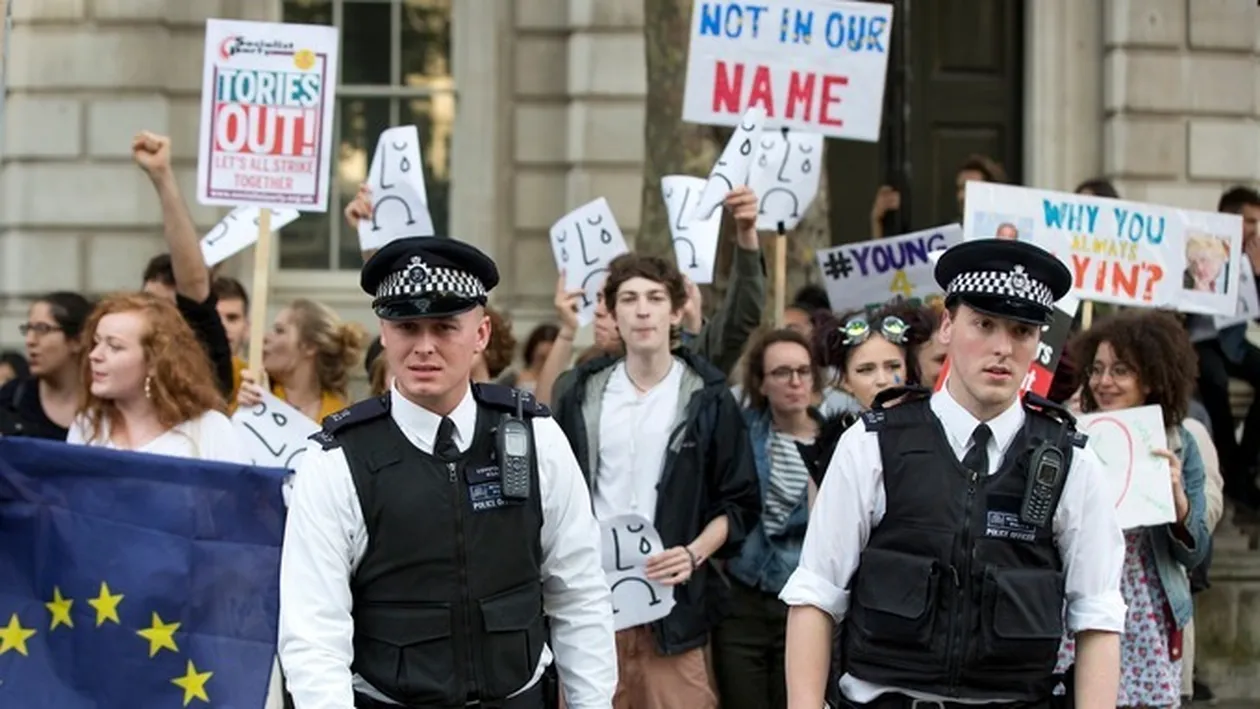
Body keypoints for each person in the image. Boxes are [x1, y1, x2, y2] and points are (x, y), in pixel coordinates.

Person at [782, 238, 1125, 709]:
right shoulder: (872, 444)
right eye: (983, 324)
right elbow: (816, 594)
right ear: (947, 325)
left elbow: (1098, 618)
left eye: (1022, 331)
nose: (1002, 347)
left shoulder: (1072, 464)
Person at [278, 237, 616, 709]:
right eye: (407, 327)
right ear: (384, 331)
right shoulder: (336, 461)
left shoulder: (536, 437)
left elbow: (579, 593)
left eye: (444, 327)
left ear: (480, 335)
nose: (424, 347)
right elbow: (313, 635)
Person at [551, 252, 761, 709]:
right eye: (628, 299)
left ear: (677, 309)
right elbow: (554, 497)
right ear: (611, 311)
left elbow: (740, 501)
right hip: (592, 609)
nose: (642, 310)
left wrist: (693, 553)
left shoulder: (708, 397)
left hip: (674, 611)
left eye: (654, 297)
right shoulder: (582, 393)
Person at [0, 292, 93, 440]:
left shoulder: (105, 405)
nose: (30, 341)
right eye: (28, 329)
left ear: (77, 340)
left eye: (42, 329)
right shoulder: (12, 398)